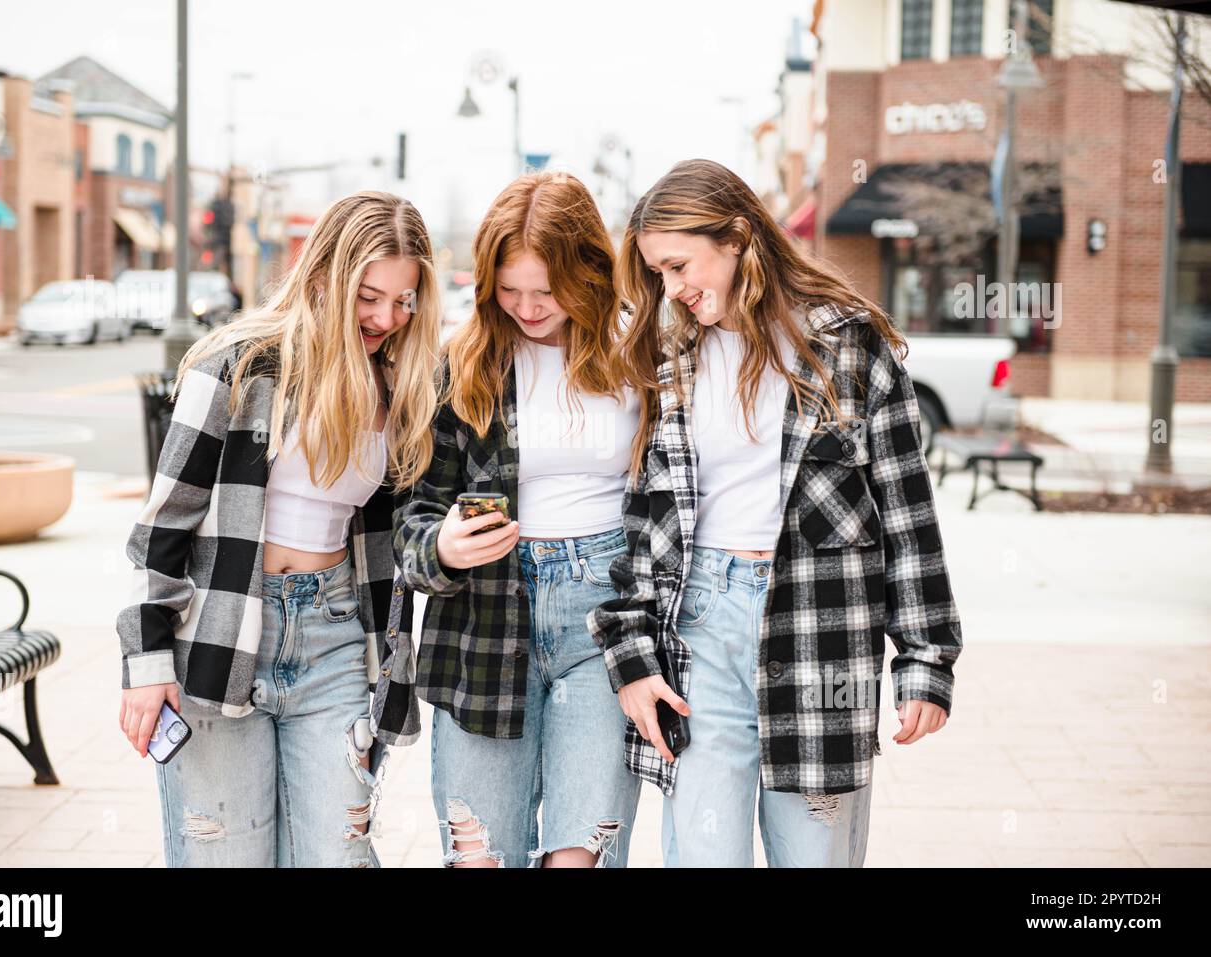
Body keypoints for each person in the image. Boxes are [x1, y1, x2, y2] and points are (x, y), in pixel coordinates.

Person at [589, 158, 963, 867]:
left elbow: (907, 511)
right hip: (698, 630)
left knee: (814, 854)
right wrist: (631, 655)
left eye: (679, 265)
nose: (671, 289)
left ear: (735, 236)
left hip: (820, 627)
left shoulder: (850, 344)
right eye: (658, 274)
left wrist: (927, 658)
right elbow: (642, 523)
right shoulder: (667, 356)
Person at [117, 191, 441, 867]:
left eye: (404, 301)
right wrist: (146, 661)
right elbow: (164, 527)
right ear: (323, 275)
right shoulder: (235, 366)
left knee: (339, 853)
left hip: (333, 635)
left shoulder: (398, 383)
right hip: (220, 632)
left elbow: (387, 541)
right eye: (369, 296)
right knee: (226, 855)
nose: (386, 317)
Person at [394, 171, 642, 867]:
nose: (528, 308)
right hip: (486, 616)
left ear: (589, 271)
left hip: (608, 614)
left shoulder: (641, 354)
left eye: (547, 290)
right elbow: (409, 509)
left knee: (580, 854)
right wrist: (439, 545)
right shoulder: (464, 362)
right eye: (509, 289)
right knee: (482, 853)